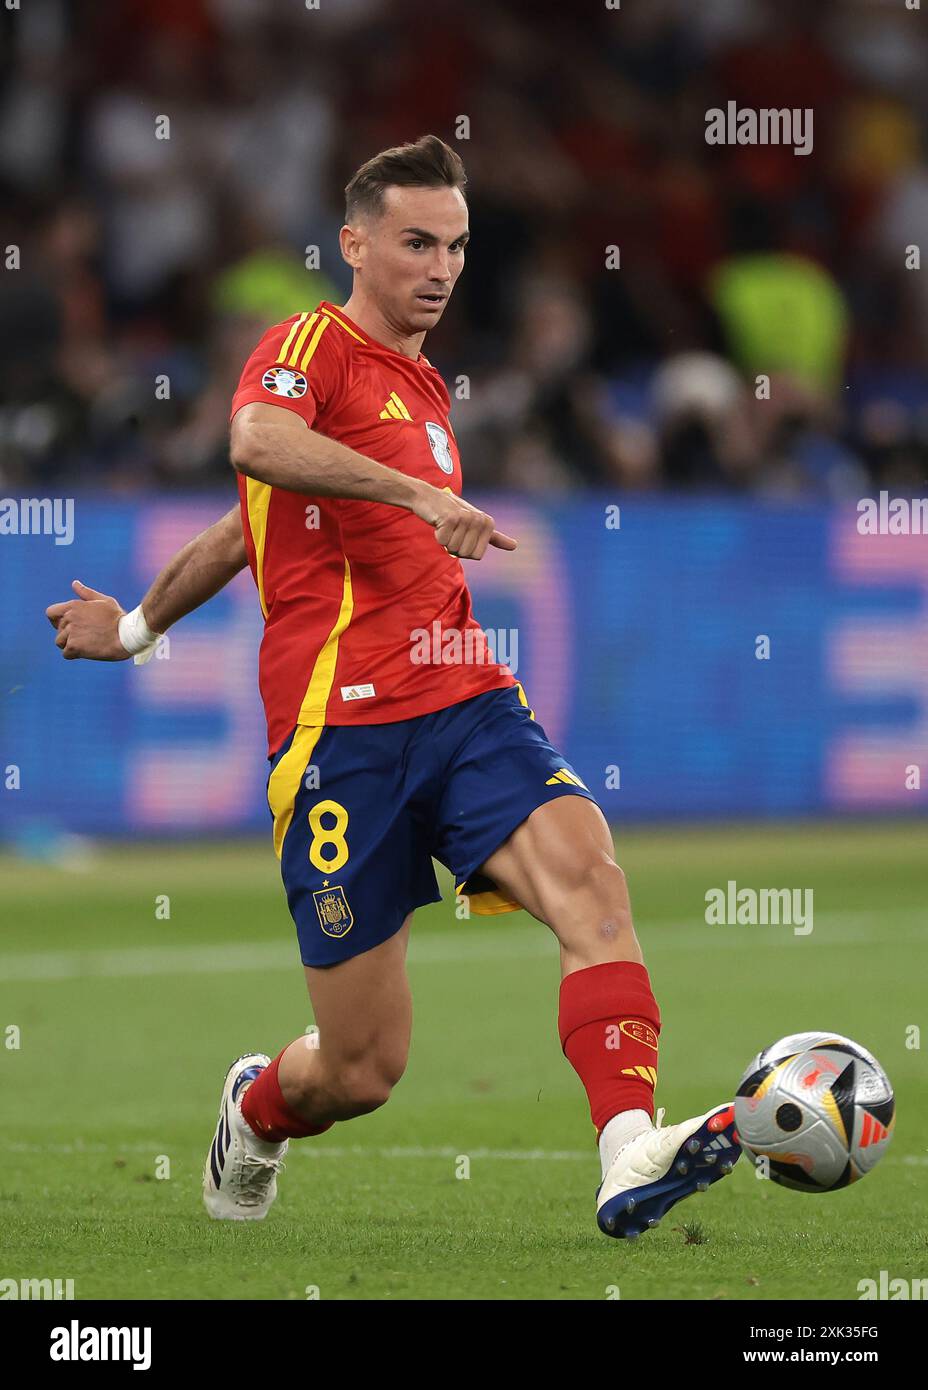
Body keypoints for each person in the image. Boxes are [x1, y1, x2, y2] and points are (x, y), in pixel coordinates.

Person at [47, 135, 739, 1239]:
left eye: (456, 246)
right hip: (338, 737)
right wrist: (415, 496)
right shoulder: (306, 346)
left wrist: (135, 623)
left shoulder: (418, 383)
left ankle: (627, 1150)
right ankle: (258, 1108)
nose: (440, 267)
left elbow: (242, 528)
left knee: (591, 887)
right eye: (416, 242)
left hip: (465, 701)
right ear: (353, 243)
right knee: (363, 1069)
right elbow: (258, 445)